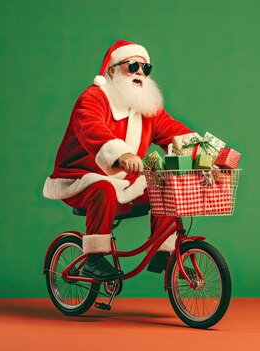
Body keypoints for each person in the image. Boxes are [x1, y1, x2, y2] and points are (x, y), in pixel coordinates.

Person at [42, 40, 194, 281]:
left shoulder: (147, 107)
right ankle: (94, 259)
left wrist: (206, 153)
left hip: (125, 181)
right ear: (112, 70)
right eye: (133, 65)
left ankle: (163, 251)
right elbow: (91, 127)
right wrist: (121, 155)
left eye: (146, 68)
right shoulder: (94, 98)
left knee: (164, 184)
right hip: (80, 177)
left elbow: (174, 132)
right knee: (102, 188)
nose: (140, 73)